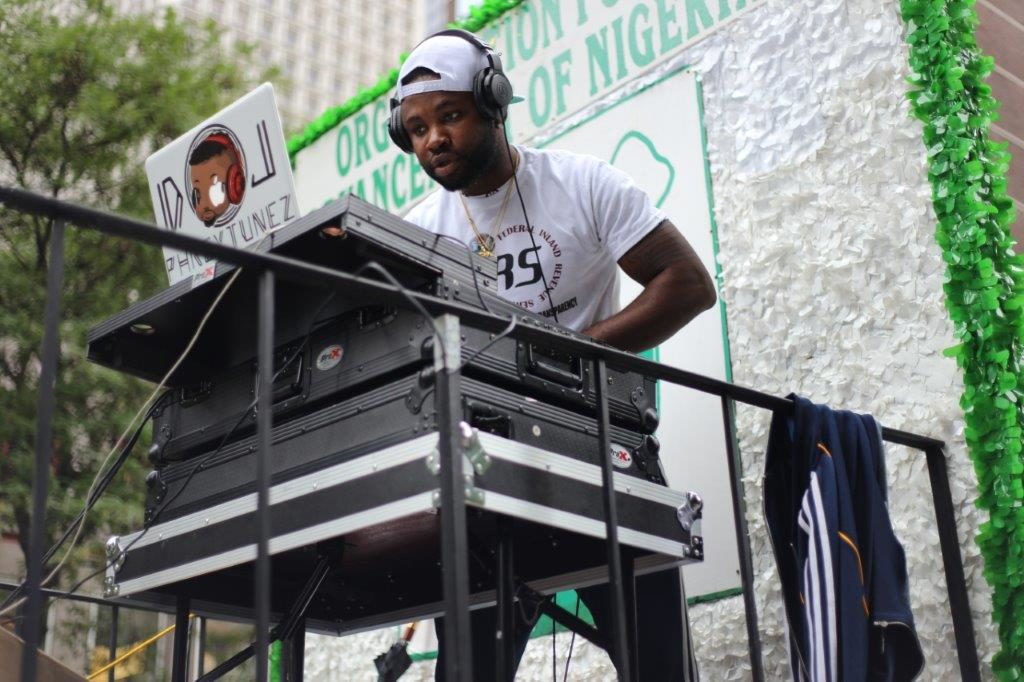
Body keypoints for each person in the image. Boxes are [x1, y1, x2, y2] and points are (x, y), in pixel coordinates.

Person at [391, 29, 716, 680]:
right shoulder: (418, 232)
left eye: (449, 116)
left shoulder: (583, 184)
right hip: (489, 476)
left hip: (605, 456)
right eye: (417, 128)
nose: (433, 140)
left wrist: (570, 349)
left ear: (493, 102)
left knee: (659, 666)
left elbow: (687, 285)